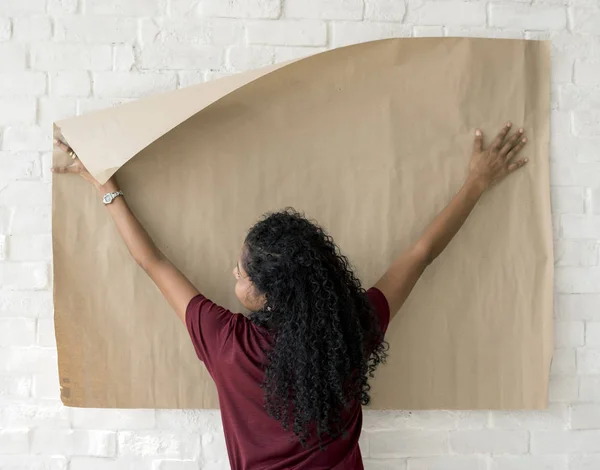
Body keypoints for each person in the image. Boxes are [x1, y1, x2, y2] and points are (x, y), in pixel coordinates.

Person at [53, 122, 528, 470]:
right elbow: (421, 255)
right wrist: (478, 181)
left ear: (263, 293)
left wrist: (104, 183)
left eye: (240, 272)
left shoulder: (226, 341)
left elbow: (152, 262)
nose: (232, 273)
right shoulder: (353, 327)